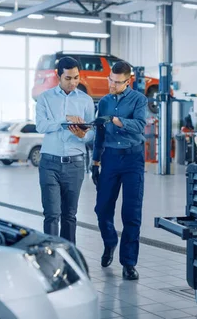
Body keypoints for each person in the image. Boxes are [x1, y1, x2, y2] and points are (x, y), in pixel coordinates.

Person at [91, 60, 148, 280]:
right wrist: (95, 161)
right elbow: (99, 134)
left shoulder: (139, 99)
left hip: (133, 159)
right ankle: (110, 243)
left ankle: (129, 263)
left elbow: (140, 125)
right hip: (110, 159)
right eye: (110, 80)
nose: (112, 85)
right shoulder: (104, 102)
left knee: (131, 212)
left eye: (117, 82)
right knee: (102, 208)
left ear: (128, 81)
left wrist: (118, 121)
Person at [35, 56, 94, 244]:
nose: (73, 82)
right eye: (68, 78)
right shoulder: (44, 98)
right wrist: (64, 120)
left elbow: (91, 134)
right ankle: (51, 257)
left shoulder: (86, 100)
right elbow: (41, 126)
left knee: (69, 215)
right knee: (52, 214)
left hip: (75, 164)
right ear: (58, 76)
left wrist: (82, 135)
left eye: (76, 77)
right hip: (49, 163)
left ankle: (68, 257)